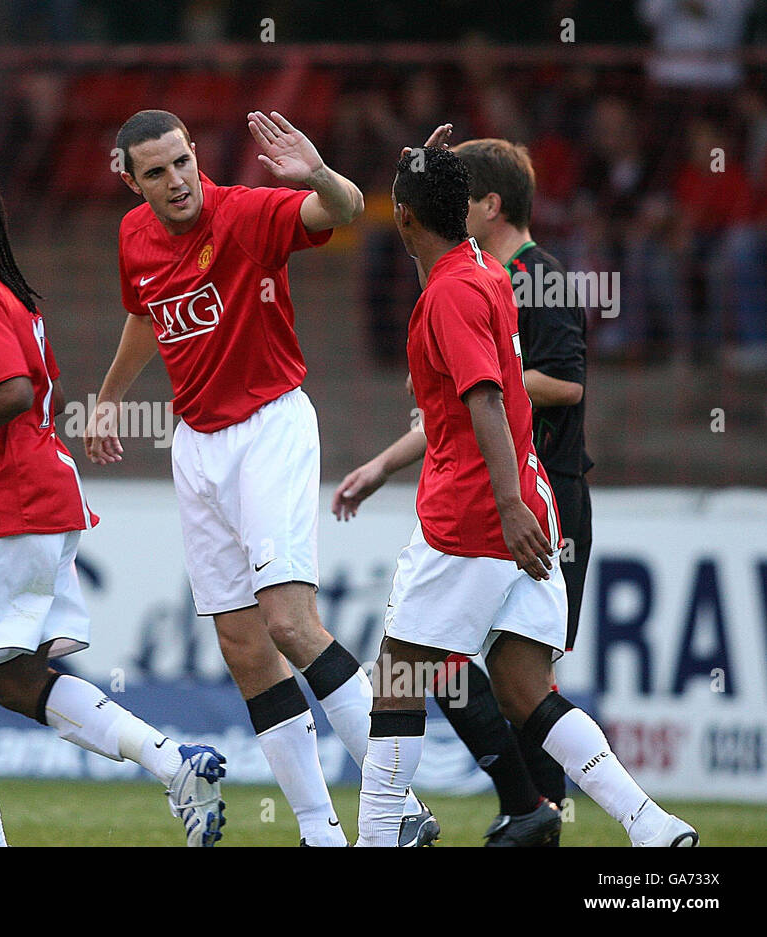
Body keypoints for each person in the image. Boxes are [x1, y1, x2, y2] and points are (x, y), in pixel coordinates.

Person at [85, 109, 435, 846]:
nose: (177, 180)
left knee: (288, 623)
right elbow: (146, 314)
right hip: (197, 443)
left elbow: (336, 212)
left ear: (194, 153)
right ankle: (320, 830)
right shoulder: (133, 238)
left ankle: (396, 803)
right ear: (130, 180)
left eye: (182, 160)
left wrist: (321, 175)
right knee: (246, 648)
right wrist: (110, 398)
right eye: (156, 171)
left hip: (270, 427)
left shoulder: (244, 213)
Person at [351, 144, 695, 848]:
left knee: (395, 674)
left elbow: (483, 395)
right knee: (522, 686)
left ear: (406, 217)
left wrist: (505, 505)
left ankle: (379, 836)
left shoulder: (447, 291)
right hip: (533, 504)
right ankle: (649, 823)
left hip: (475, 513)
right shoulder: (482, 268)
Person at [0, 159, 227, 847]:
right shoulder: (7, 291)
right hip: (41, 495)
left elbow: (12, 391)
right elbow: (48, 402)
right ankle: (175, 763)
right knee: (13, 678)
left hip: (4, 504)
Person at [335, 134, 593, 845]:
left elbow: (559, 382)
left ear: (490, 204)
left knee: (507, 680)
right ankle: (535, 809)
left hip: (542, 491)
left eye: (463, 193)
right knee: (468, 672)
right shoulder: (478, 271)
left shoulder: (537, 277)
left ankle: (537, 810)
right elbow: (464, 391)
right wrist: (388, 461)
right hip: (504, 484)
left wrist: (496, 377)